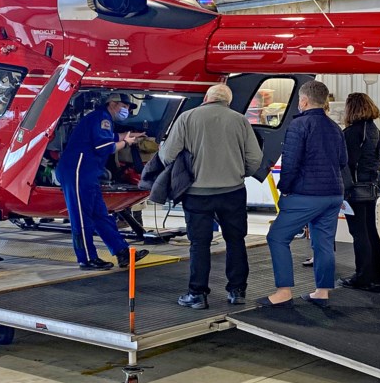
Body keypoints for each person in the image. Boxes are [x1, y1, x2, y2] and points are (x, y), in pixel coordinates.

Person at [160, 84, 263, 309]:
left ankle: (197, 294)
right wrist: (239, 172)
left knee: (199, 244)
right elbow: (255, 158)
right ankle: (237, 291)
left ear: (207, 97)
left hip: (197, 194)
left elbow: (168, 156)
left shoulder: (187, 118)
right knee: (236, 240)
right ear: (228, 101)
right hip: (232, 192)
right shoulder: (240, 120)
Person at [260, 80, 347, 308]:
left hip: (306, 194)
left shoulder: (299, 125)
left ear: (304, 101)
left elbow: (290, 162)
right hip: (334, 194)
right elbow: (343, 161)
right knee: (323, 243)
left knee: (277, 237)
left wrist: (285, 190)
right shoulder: (335, 127)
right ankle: (322, 291)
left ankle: (283, 291)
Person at [57, 93, 149, 270]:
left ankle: (121, 252)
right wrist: (127, 142)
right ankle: (86, 259)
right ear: (112, 104)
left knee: (101, 215)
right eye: (126, 106)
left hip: (86, 174)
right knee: (82, 218)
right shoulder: (102, 117)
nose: (128, 110)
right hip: (78, 172)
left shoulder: (102, 119)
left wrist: (128, 135)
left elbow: (111, 137)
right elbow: (105, 146)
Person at [339, 92, 380, 293]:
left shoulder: (351, 133)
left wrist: (343, 191)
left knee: (359, 234)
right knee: (371, 231)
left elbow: (346, 164)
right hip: (372, 187)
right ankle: (377, 275)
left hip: (355, 190)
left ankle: (362, 277)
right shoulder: (375, 131)